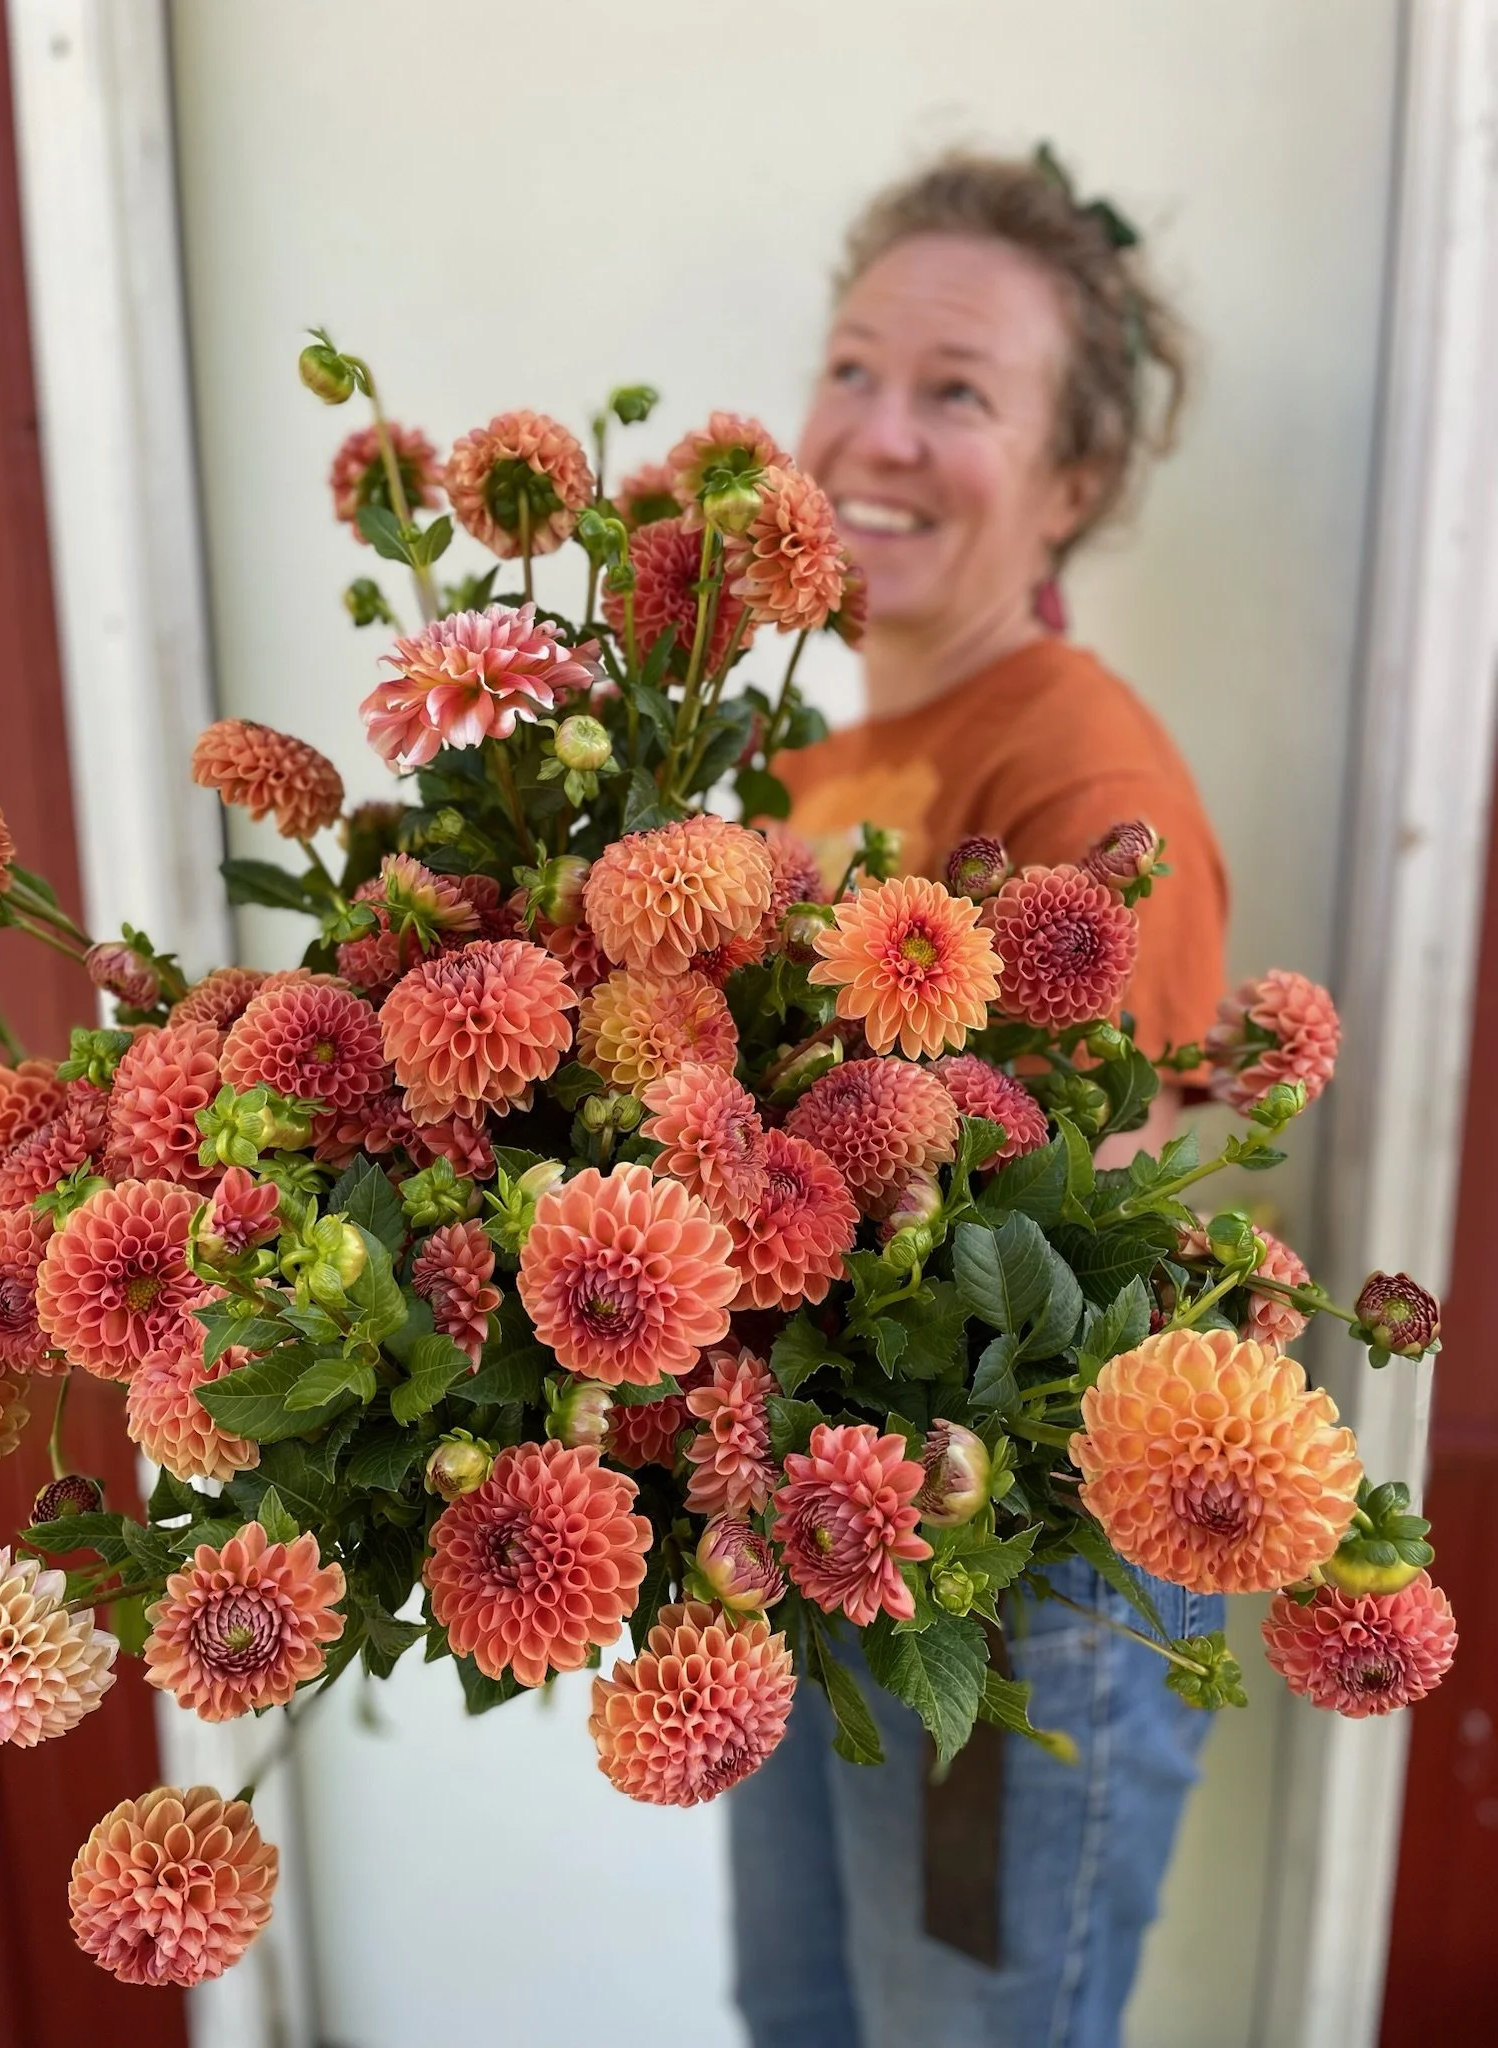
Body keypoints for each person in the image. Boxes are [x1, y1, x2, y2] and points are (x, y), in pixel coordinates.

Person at [730, 151, 1230, 2048]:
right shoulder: (830, 748)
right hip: (820, 1535)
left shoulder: (1085, 772)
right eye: (854, 369)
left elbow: (1061, 1286)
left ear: (1071, 482)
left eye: (960, 391)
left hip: (1002, 1584)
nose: (878, 432)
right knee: (801, 2021)